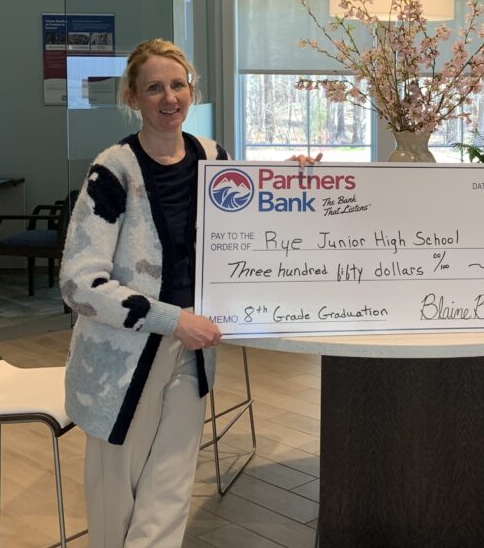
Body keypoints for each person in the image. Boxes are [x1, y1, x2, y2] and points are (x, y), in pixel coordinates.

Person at [60, 39, 318, 547]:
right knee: (117, 492)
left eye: (178, 85)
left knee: (171, 484)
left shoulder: (211, 156)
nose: (169, 97)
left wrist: (287, 178)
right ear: (132, 97)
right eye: (154, 87)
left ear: (191, 91)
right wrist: (171, 319)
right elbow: (78, 283)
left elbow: (244, 222)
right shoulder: (112, 170)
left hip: (192, 348)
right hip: (124, 357)